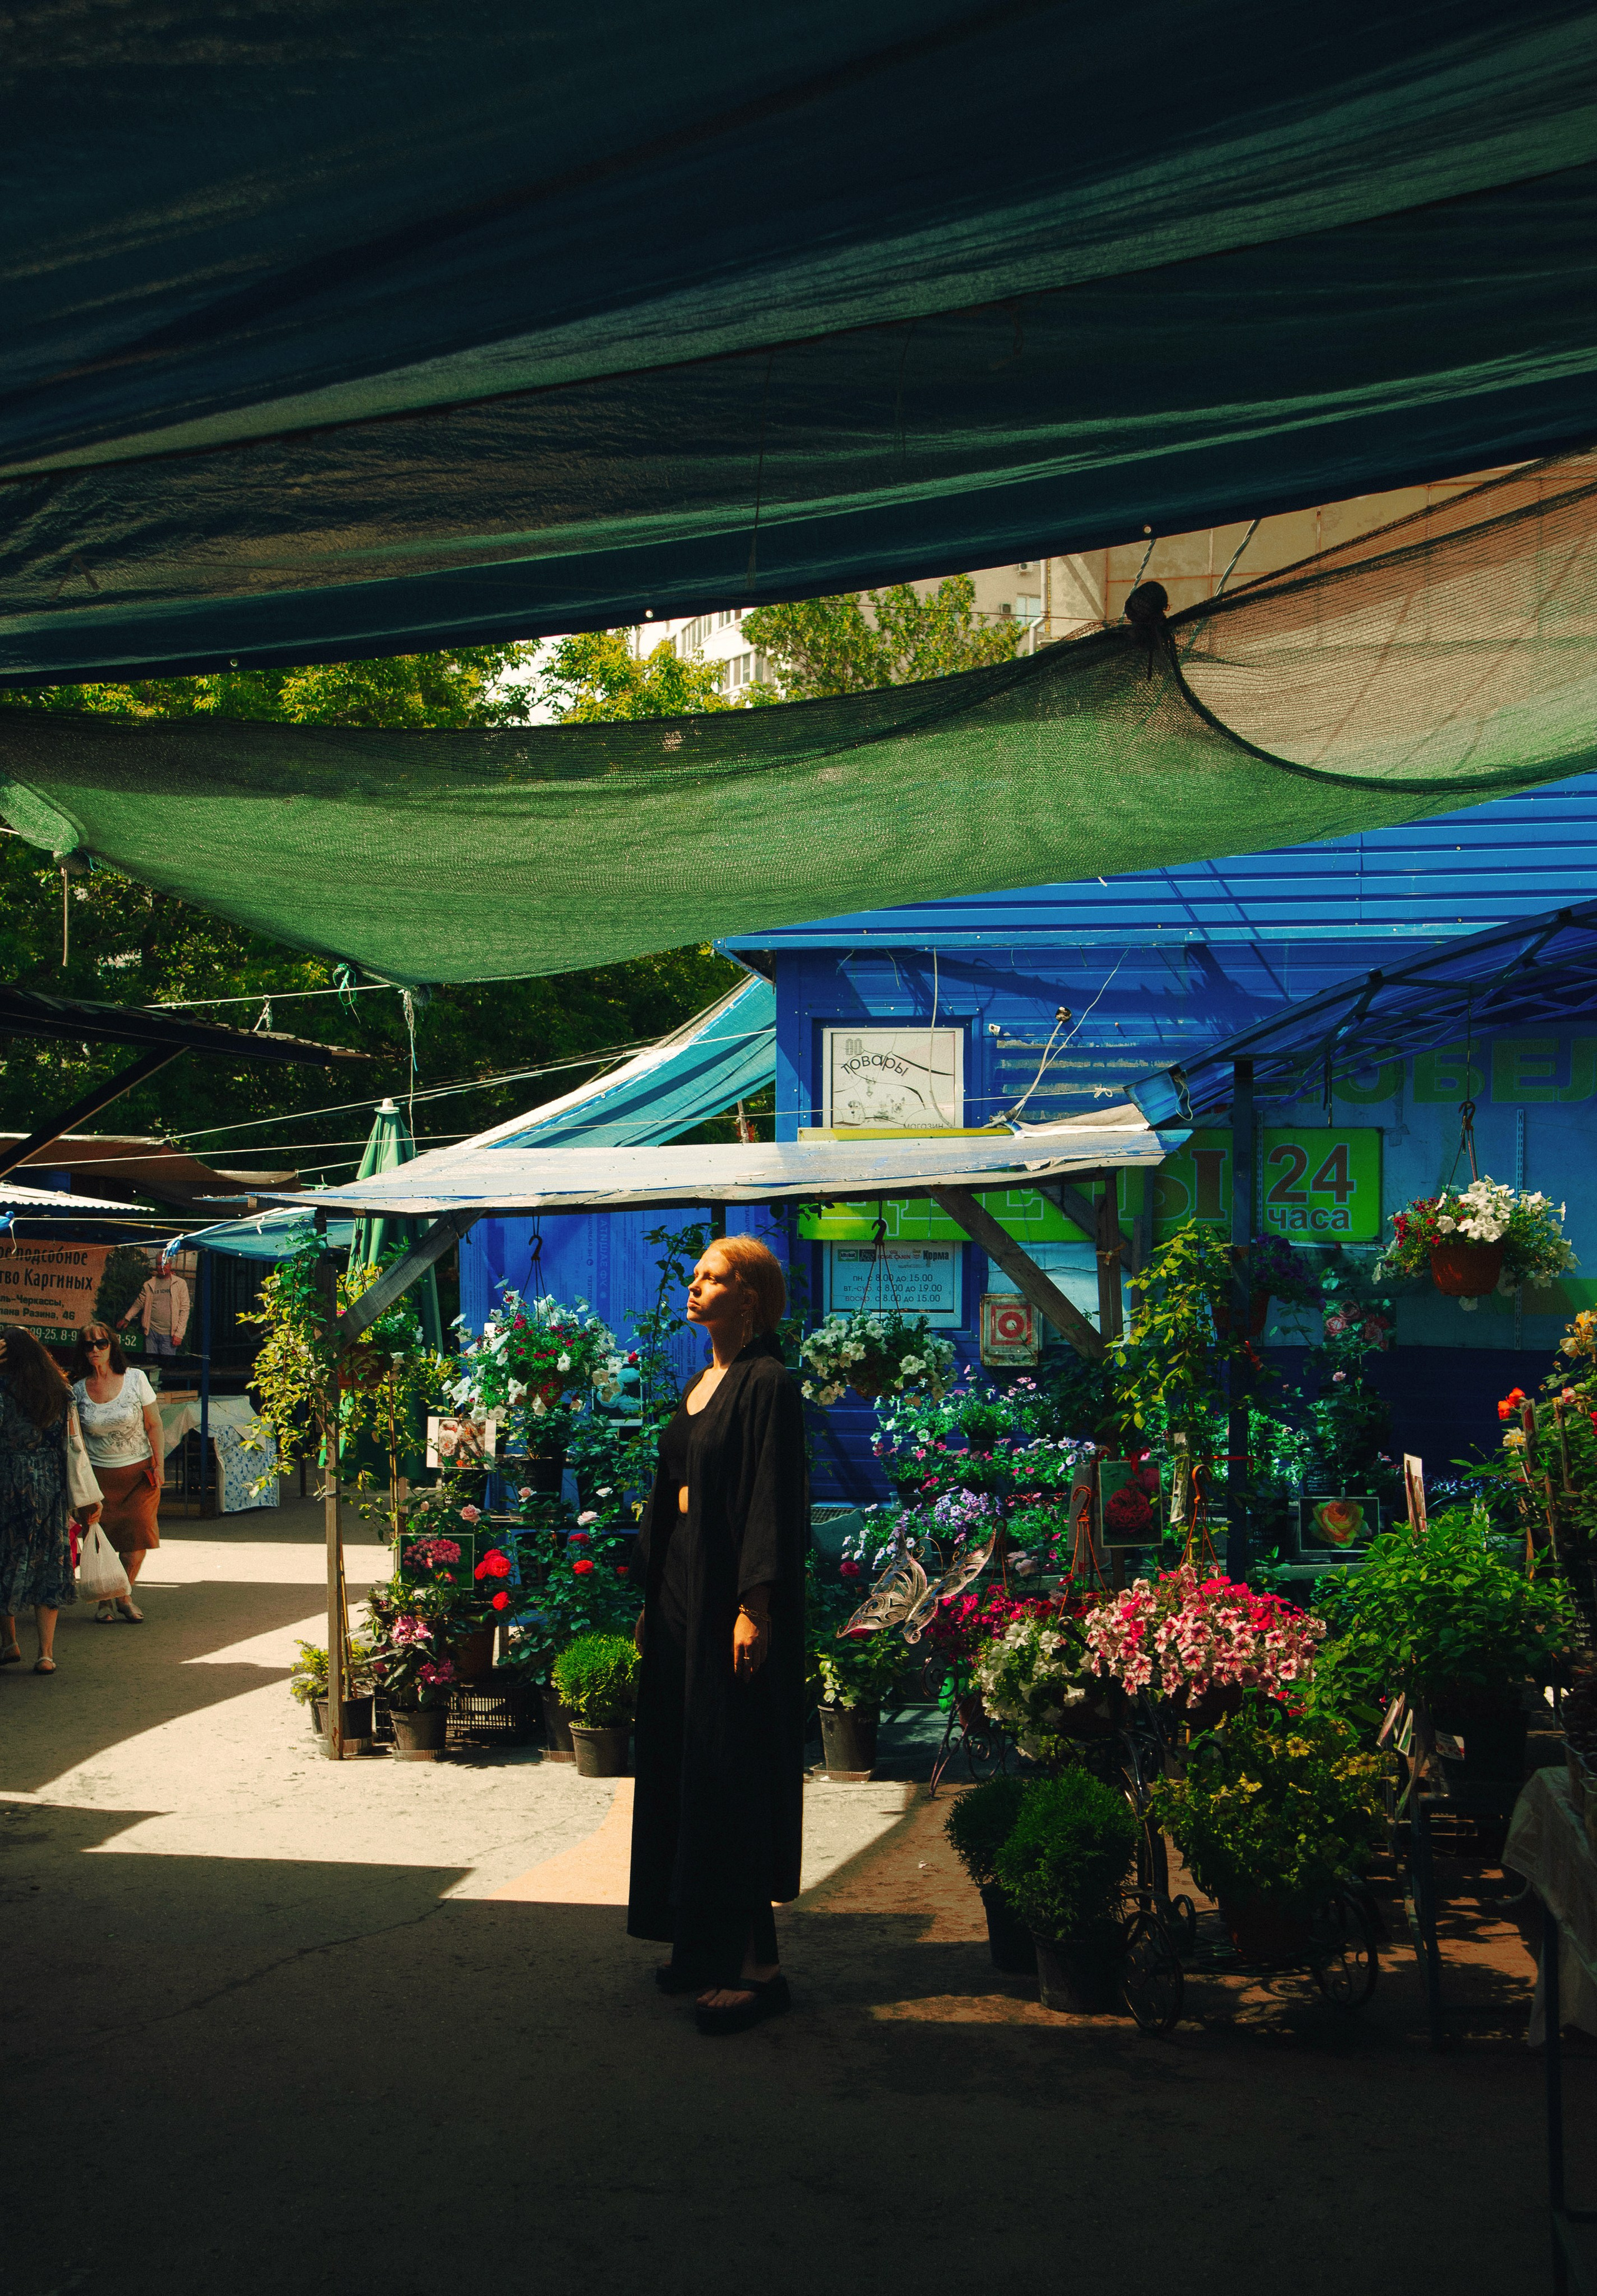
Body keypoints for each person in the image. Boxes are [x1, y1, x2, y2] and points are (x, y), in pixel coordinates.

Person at [627, 1234, 808, 2037]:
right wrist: (649, 1598)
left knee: (730, 1768)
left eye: (715, 1277)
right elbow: (670, 1496)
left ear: (751, 1298)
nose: (696, 1286)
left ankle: (758, 1968)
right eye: (697, 1275)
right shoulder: (701, 1381)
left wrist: (753, 1605)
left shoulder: (768, 1386)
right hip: (677, 1594)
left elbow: (772, 1500)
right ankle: (701, 1944)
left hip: (730, 1594)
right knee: (683, 1764)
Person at [0, 1325, 98, 1674]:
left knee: (7, 1560)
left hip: (8, 1483)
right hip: (50, 1485)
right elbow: (73, 1445)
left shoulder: (2, 1388)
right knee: (49, 1565)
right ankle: (45, 1653)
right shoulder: (60, 1390)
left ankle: (9, 1642)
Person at [70, 1323, 163, 1624]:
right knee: (99, 1541)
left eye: (101, 1343)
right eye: (88, 1346)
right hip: (98, 1476)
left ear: (112, 1346)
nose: (95, 1350)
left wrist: (159, 1464)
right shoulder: (77, 1390)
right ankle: (105, 1602)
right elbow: (77, 1442)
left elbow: (154, 1425)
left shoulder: (136, 1379)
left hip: (139, 1474)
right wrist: (80, 1482)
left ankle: (124, 1594)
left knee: (138, 1541)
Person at [119, 1264, 189, 1358]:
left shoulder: (180, 1284)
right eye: (159, 1264)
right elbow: (139, 1303)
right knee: (150, 1363)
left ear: (170, 1265)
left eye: (165, 1263)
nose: (162, 1267)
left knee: (166, 1366)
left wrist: (179, 1334)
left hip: (170, 1335)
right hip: (151, 1332)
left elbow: (185, 1309)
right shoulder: (149, 1284)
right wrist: (127, 1318)